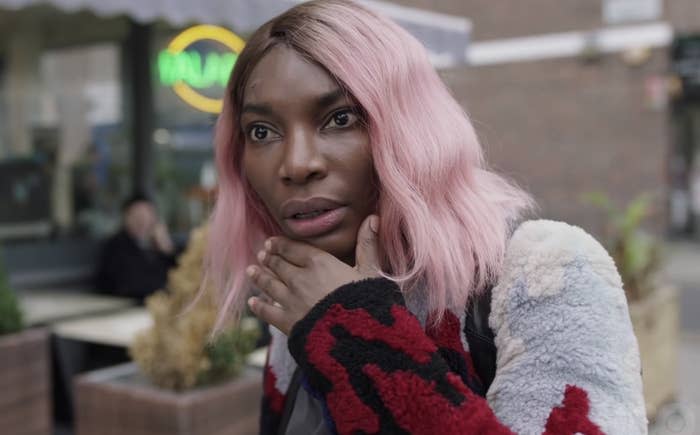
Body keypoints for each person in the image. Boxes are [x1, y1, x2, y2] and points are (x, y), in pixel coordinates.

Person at [204, 1, 647, 433]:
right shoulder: (302, 292)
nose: (296, 164)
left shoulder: (547, 276)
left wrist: (354, 334)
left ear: (412, 127)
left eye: (340, 118)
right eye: (262, 131)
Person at [95, 193, 176, 302]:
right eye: (138, 217)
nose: (142, 222)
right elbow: (131, 285)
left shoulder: (155, 246)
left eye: (147, 217)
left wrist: (166, 247)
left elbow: (177, 275)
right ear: (126, 217)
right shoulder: (116, 247)